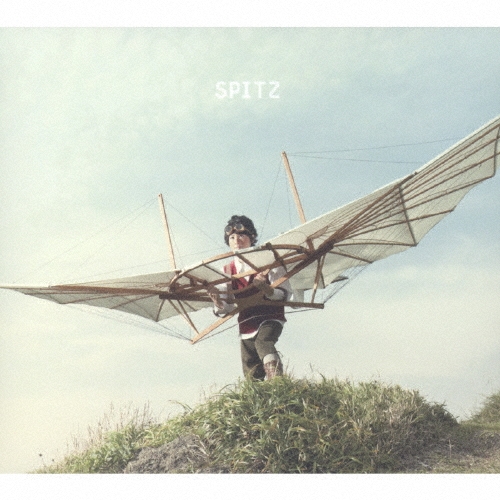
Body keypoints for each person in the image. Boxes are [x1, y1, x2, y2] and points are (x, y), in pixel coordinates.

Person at [208, 215, 292, 380]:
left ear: (252, 237)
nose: (236, 240)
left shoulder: (267, 260)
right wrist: (217, 301)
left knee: (263, 343)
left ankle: (278, 382)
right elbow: (227, 308)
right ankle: (256, 393)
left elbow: (284, 293)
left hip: (270, 316)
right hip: (246, 323)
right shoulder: (227, 270)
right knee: (250, 364)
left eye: (241, 235)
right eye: (232, 237)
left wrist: (267, 289)